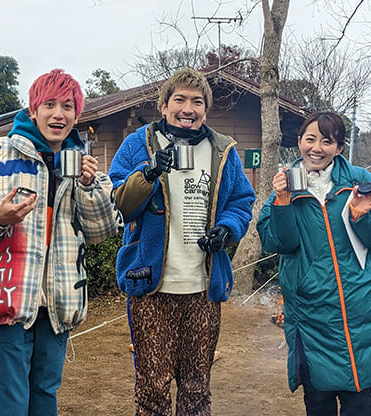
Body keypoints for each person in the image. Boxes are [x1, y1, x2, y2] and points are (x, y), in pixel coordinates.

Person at [0, 69, 120, 416]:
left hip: (58, 304)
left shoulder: (83, 167)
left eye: (67, 106)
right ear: (33, 110)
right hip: (3, 299)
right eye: (49, 104)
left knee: (44, 398)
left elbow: (103, 230)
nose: (59, 114)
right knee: (6, 405)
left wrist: (88, 186)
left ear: (77, 115)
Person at [108, 68, 255, 415]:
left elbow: (241, 200)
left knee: (196, 388)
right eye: (180, 100)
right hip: (150, 287)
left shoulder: (222, 149)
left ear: (205, 109)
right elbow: (121, 204)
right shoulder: (137, 144)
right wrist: (148, 173)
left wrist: (227, 229)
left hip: (203, 287)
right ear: (163, 106)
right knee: (152, 389)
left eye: (197, 102)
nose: (188, 108)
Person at [257, 111, 371, 416]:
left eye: (327, 141)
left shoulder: (359, 180)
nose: (317, 148)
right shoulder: (286, 186)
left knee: (358, 403)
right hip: (312, 313)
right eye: (310, 139)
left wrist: (362, 217)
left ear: (339, 147)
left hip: (361, 308)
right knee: (318, 402)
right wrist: (282, 201)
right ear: (299, 141)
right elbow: (278, 243)